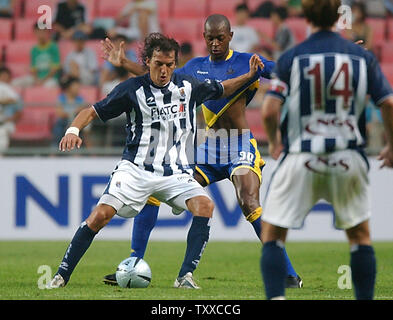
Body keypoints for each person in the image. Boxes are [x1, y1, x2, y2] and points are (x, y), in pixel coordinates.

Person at [46, 32, 265, 289]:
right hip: (136, 170)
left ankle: (184, 276)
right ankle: (61, 275)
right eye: (158, 64)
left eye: (169, 65)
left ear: (175, 63)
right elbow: (91, 111)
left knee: (205, 206)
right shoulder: (131, 90)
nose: (164, 70)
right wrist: (73, 130)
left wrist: (250, 77)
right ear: (147, 61)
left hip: (175, 174)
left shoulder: (187, 85)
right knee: (99, 216)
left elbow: (222, 88)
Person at [100, 14, 303, 289]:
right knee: (155, 188)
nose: (215, 43)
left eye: (220, 37)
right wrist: (124, 63)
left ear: (230, 35)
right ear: (204, 37)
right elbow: (161, 79)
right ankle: (134, 263)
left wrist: (337, 61)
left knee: (248, 201)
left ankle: (288, 273)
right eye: (210, 38)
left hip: (239, 143)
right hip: (207, 147)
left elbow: (291, 70)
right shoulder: (195, 67)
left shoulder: (248, 61)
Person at [259, 0, 393, 300]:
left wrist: (276, 141)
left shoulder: (291, 57)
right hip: (349, 156)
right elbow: (388, 103)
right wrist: (391, 145)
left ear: (305, 15)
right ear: (338, 16)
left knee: (273, 235)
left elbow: (268, 109)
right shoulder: (361, 56)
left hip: (302, 157)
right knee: (360, 237)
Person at [52, 76, 91, 148]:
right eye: (75, 86)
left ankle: (82, 150)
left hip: (76, 122)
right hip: (63, 122)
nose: (78, 88)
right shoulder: (61, 98)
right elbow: (60, 113)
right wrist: (73, 113)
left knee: (85, 127)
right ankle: (54, 151)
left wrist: (69, 113)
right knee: (58, 128)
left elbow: (83, 111)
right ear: (69, 87)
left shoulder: (80, 99)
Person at [0, 66, 22, 153]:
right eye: (2, 76)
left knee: (2, 132)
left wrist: (10, 119)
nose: (4, 78)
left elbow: (19, 112)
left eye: (6, 76)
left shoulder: (14, 94)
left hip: (7, 123)